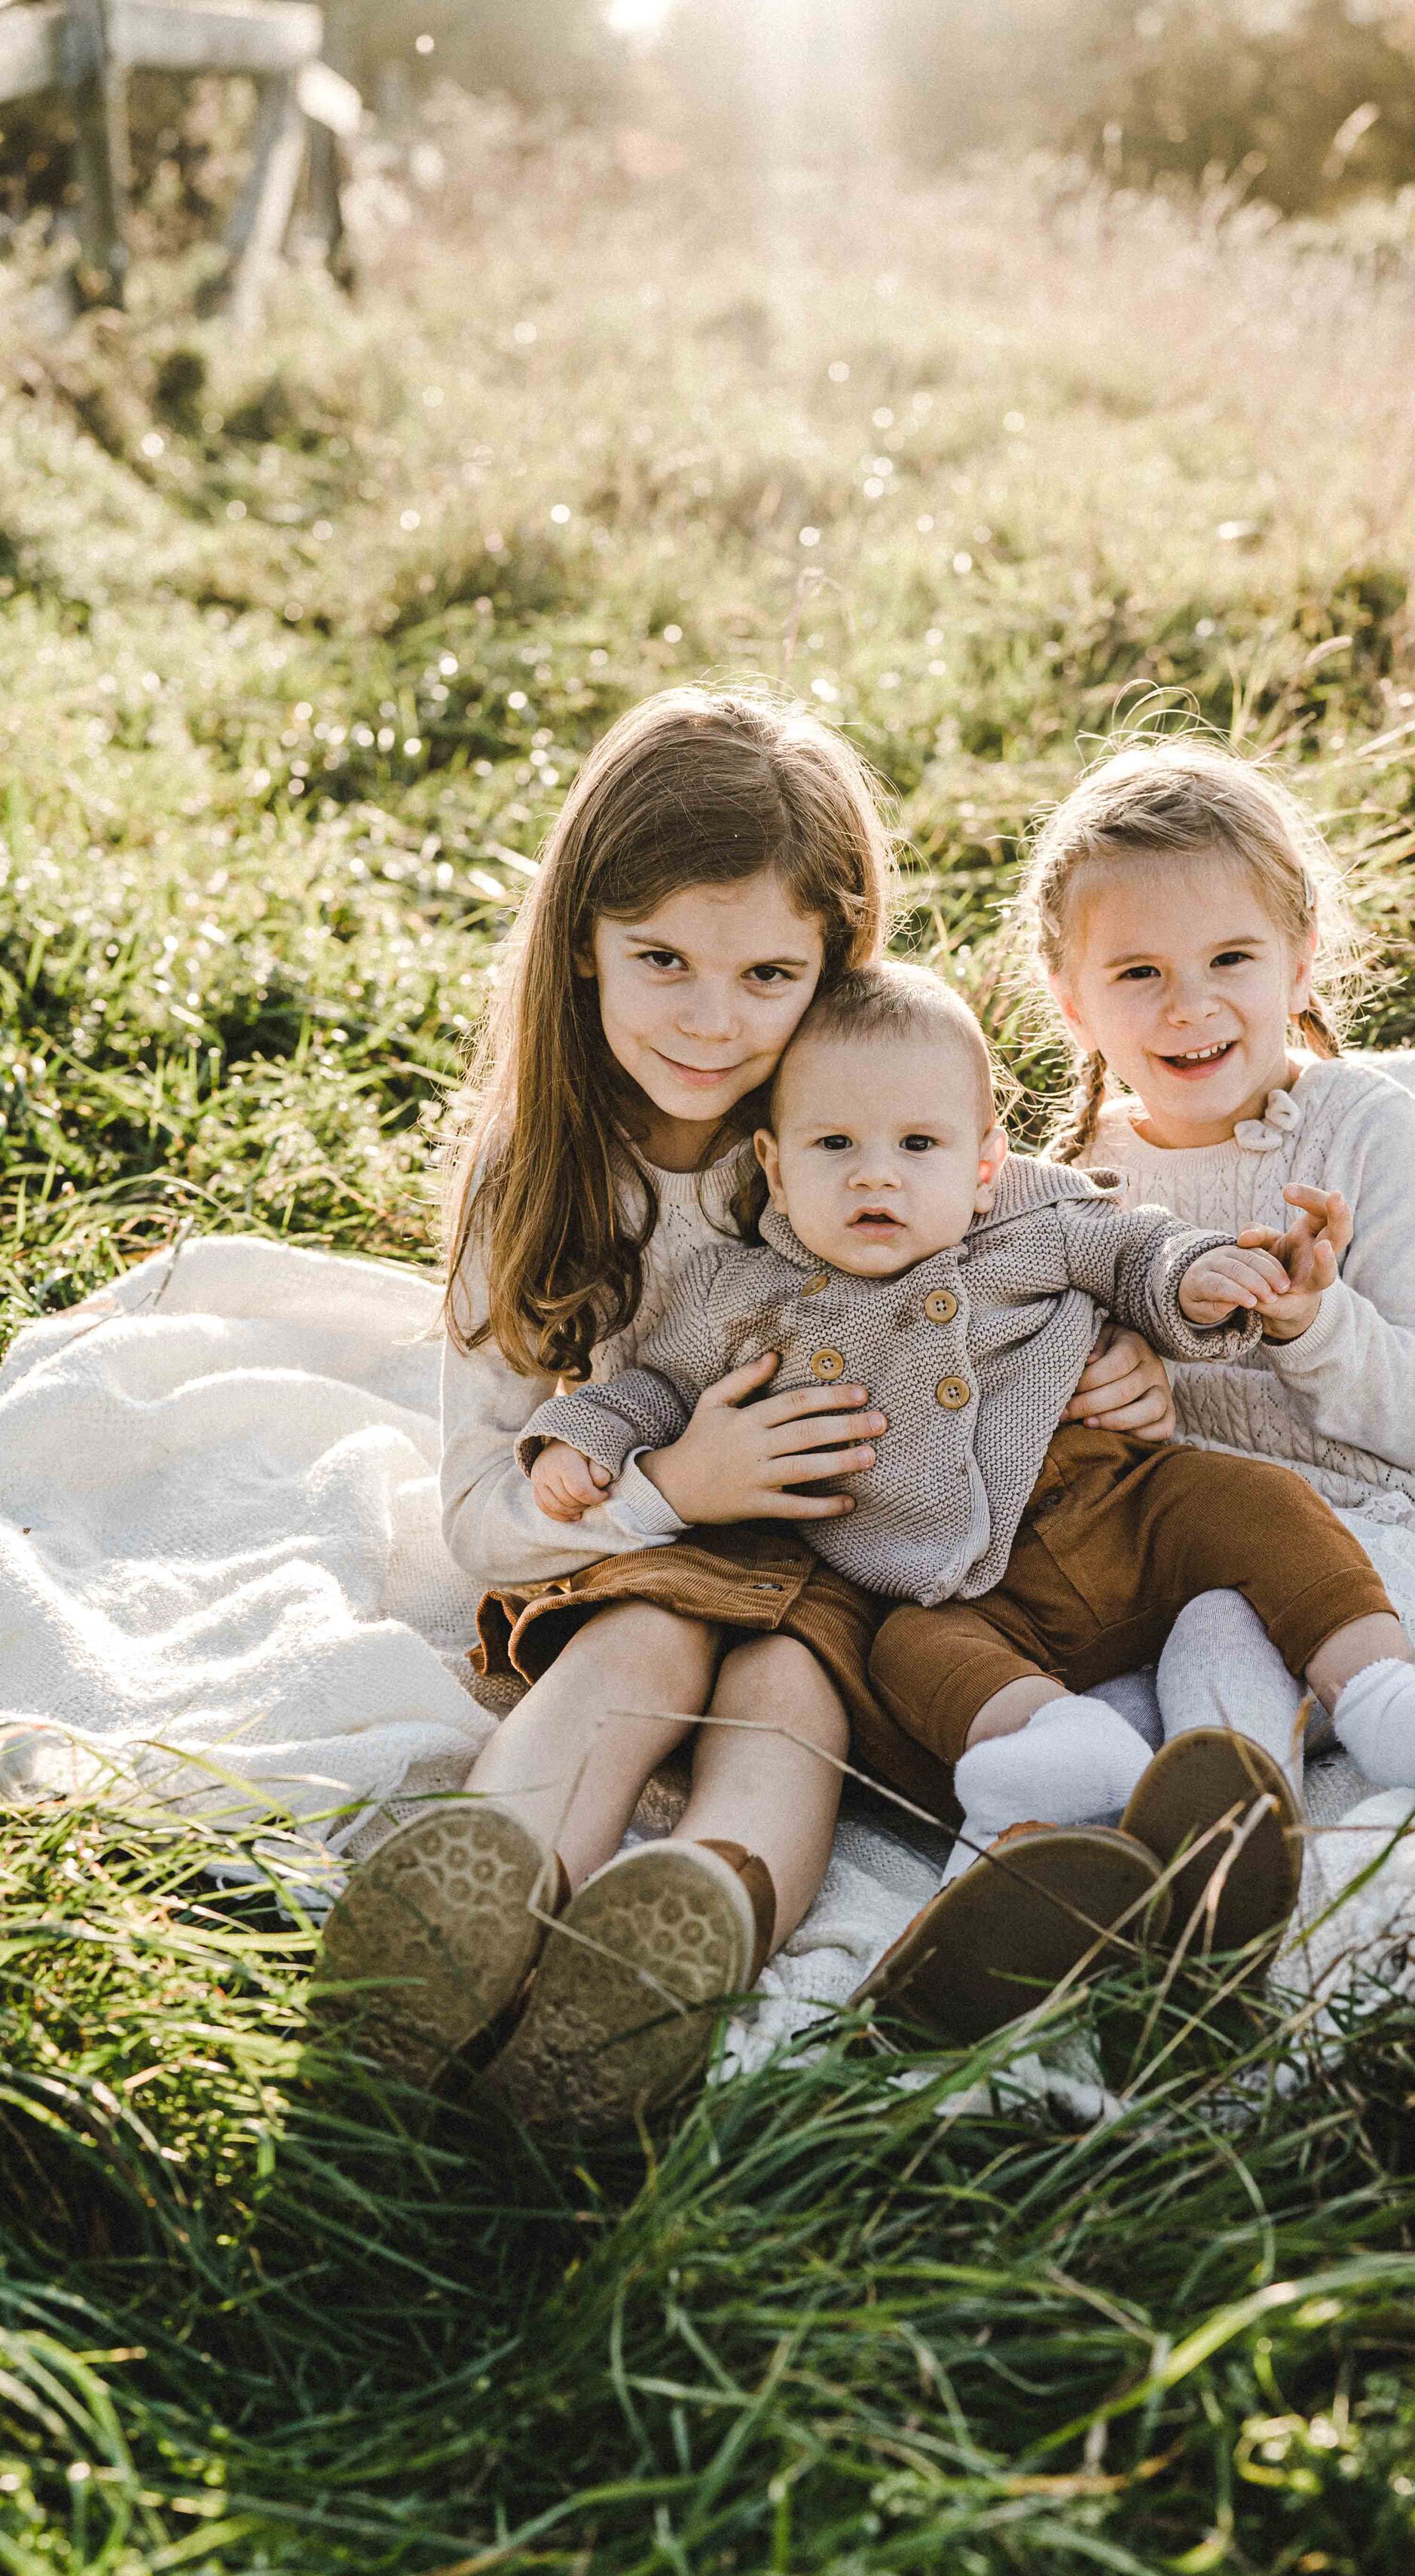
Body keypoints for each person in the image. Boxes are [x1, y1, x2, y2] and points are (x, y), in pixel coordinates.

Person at [317, 687, 1174, 2124]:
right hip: (655, 1535)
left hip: (857, 1571)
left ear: (839, 959)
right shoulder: (540, 1182)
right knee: (639, 1651)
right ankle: (469, 1917)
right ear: (580, 946)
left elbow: (1051, 1230)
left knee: (786, 1703)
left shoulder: (872, 1103)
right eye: (661, 959)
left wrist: (1117, 1353)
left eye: (770, 975)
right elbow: (480, 1515)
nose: (714, 1025)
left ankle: (681, 1935)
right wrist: (670, 1492)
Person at [530, 964, 1415, 2040]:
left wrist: (1202, 1279)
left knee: (1256, 1503)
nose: (876, 1178)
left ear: (985, 1164)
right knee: (907, 1657)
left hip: (1117, 1506)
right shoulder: (741, 1297)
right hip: (957, 1590)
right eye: (836, 1148)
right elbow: (648, 1383)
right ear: (774, 1167)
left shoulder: (1034, 1219)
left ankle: (1376, 1689)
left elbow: (1138, 1248)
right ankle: (1063, 1752)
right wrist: (583, 1439)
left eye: (917, 1146)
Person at [1019, 730, 1415, 1797]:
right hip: (1183, 1557)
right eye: (1139, 972)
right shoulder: (1079, 1180)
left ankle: (1249, 1810)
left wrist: (1315, 1324)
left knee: (1223, 1627)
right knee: (1103, 1696)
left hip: (1385, 1552)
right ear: (1072, 999)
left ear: (1298, 960)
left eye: (1230, 960)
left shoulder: (1358, 1130)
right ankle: (1146, 1841)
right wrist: (1098, 1389)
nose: (1189, 1005)